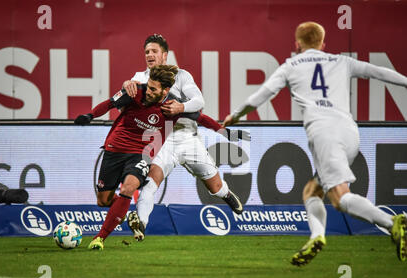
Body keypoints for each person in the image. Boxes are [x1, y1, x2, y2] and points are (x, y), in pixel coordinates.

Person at [223, 21, 407, 265]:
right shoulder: (342, 61)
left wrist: (235, 115)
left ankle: (393, 222)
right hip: (351, 133)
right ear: (323, 42)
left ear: (296, 44)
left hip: (324, 133)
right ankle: (317, 236)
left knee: (340, 198)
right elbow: (380, 72)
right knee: (312, 190)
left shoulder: (291, 66)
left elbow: (263, 94)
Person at [75, 64, 248, 250]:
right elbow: (110, 103)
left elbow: (201, 117)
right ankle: (121, 211)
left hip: (140, 154)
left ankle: (100, 238)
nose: (148, 91)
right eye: (148, 86)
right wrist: (90, 115)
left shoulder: (173, 105)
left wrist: (224, 132)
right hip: (114, 149)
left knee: (129, 187)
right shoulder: (136, 91)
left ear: (165, 90)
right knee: (103, 200)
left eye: (153, 89)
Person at [123, 34, 247, 241]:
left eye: (154, 51)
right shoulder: (140, 77)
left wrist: (181, 106)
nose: (150, 55)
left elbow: (199, 102)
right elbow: (128, 91)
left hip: (187, 137)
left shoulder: (181, 76)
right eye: (147, 52)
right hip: (160, 139)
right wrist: (127, 84)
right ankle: (141, 225)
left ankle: (226, 194)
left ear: (165, 55)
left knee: (214, 187)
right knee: (150, 184)